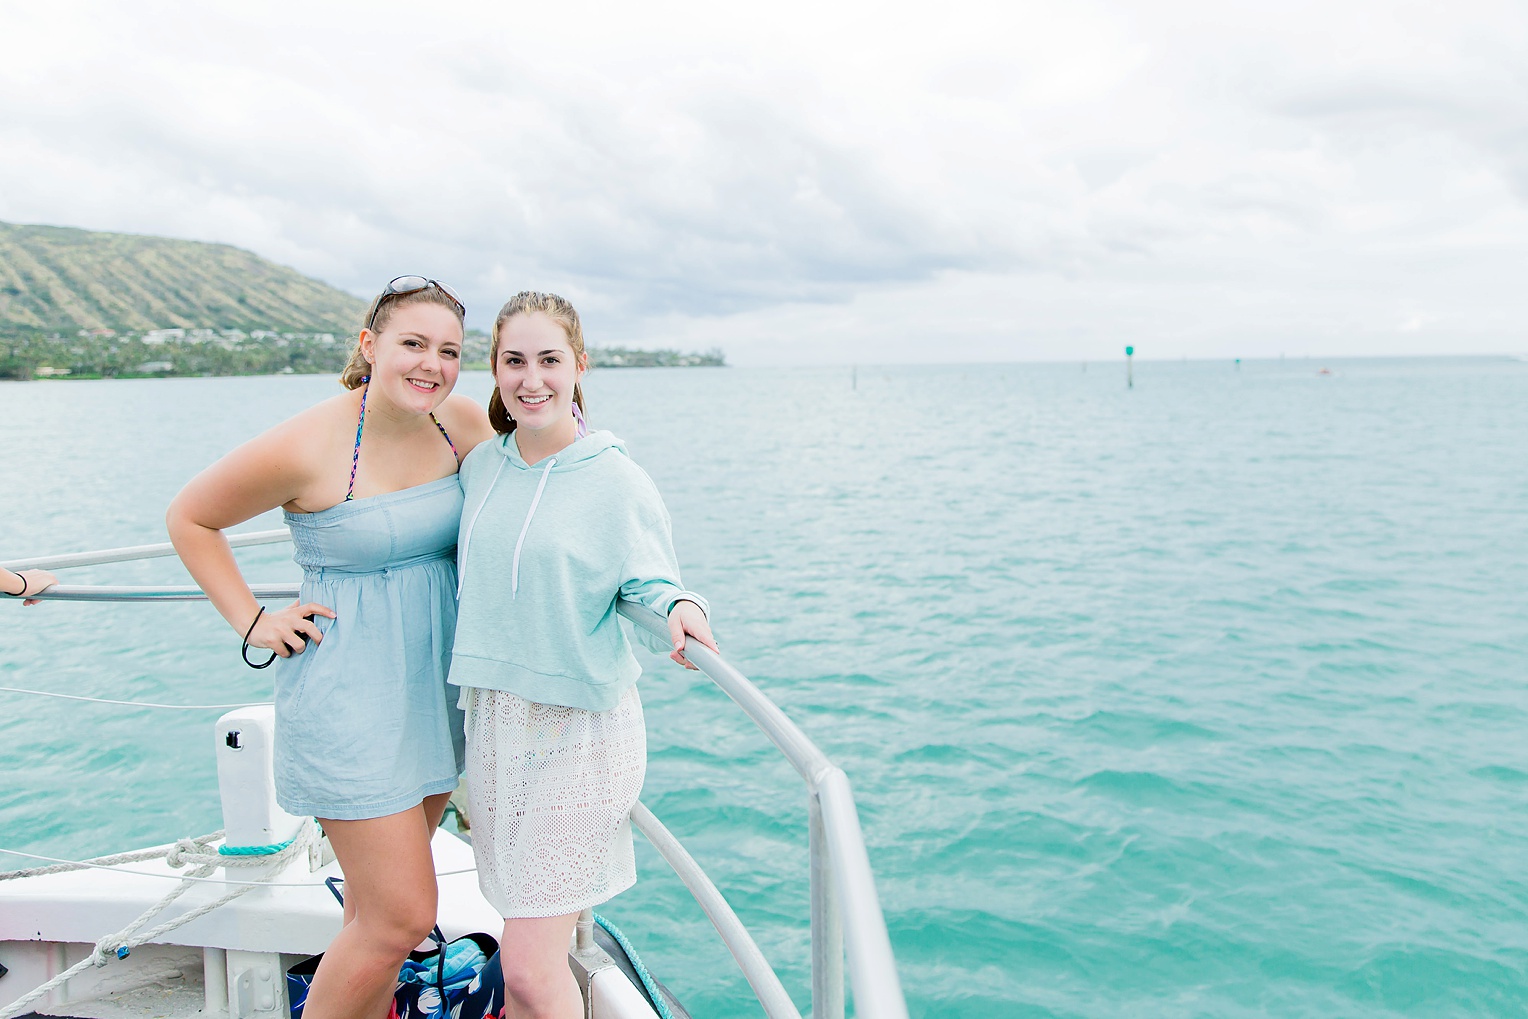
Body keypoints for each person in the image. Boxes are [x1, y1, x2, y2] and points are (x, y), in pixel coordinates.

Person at [166, 277, 495, 1019]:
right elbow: (190, 517)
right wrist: (253, 620)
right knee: (402, 918)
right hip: (348, 695)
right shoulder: (309, 442)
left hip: (434, 689)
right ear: (369, 345)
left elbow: (536, 489)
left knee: (373, 919)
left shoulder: (462, 424)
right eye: (412, 343)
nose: (431, 364)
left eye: (449, 351)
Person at [450, 291, 717, 1019]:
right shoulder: (481, 467)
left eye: (548, 360)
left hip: (579, 733)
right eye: (514, 361)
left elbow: (653, 573)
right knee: (525, 955)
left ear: (578, 366)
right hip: (498, 726)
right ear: (495, 370)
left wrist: (680, 606)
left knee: (532, 971)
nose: (530, 379)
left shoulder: (614, 477)